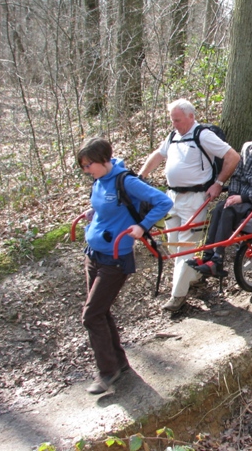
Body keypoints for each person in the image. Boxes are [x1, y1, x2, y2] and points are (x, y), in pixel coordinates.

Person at [78, 137, 173, 394]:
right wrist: (93, 213)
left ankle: (107, 373)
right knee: (100, 311)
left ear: (104, 160)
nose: (86, 170)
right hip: (94, 254)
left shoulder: (126, 181)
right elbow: (105, 207)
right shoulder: (99, 181)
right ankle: (119, 364)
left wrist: (142, 227)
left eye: (89, 165)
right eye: (84, 166)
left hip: (115, 258)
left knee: (91, 315)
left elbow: (164, 202)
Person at [138, 99, 240, 312]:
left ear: (190, 116)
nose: (174, 124)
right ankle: (193, 276)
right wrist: (140, 176)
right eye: (172, 120)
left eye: (177, 120)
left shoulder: (203, 135)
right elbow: (158, 154)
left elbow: (232, 156)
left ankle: (178, 296)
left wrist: (218, 183)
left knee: (186, 247)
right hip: (171, 198)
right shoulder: (173, 136)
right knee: (173, 246)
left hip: (195, 198)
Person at [187, 107, 252, 276]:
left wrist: (243, 198)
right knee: (220, 208)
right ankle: (208, 255)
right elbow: (237, 176)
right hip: (243, 199)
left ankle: (217, 259)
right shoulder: (248, 147)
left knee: (228, 210)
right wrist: (233, 196)